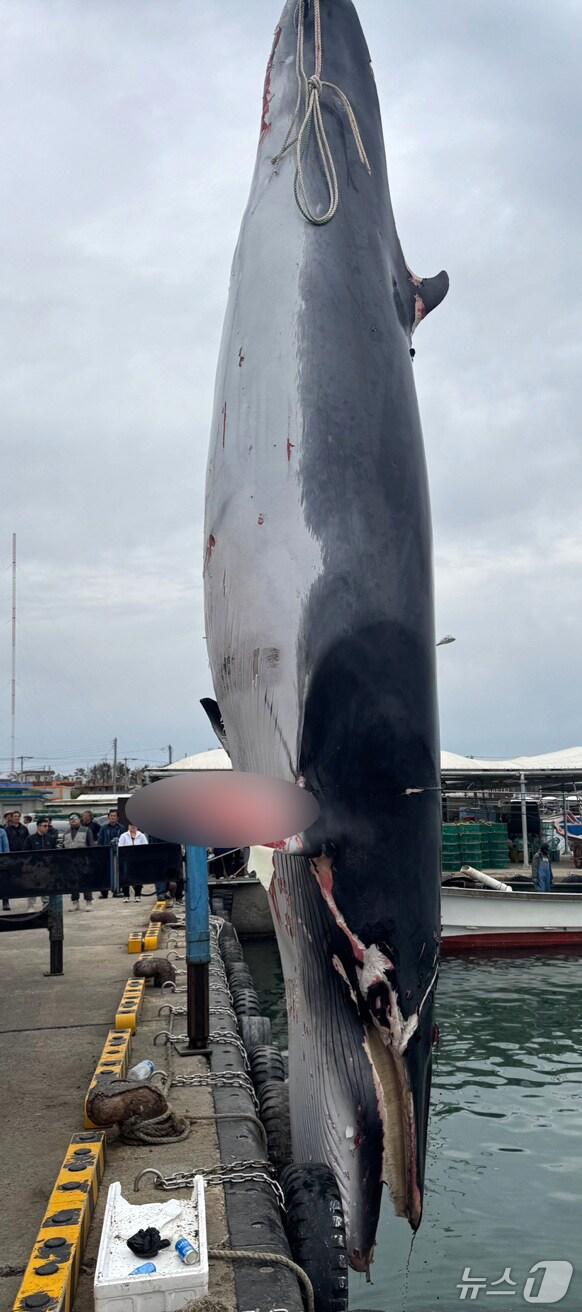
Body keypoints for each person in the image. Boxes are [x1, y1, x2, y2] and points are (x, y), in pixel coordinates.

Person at [60, 814, 94, 911]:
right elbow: (63, 847)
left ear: (80, 820)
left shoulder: (87, 830)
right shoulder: (66, 833)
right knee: (72, 883)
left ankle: (88, 902)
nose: (73, 821)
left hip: (84, 861)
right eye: (71, 820)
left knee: (86, 882)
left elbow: (91, 845)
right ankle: (75, 903)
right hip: (70, 862)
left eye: (75, 819)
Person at [3, 809, 33, 910]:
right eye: (14, 816)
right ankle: (6, 902)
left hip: (22, 855)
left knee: (25, 877)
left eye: (17, 816)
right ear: (11, 817)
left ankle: (29, 900)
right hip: (10, 855)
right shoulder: (6, 829)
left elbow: (28, 840)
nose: (16, 818)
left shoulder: (24, 828)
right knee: (7, 879)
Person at [23, 816, 54, 909]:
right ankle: (31, 906)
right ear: (38, 827)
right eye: (44, 826)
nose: (46, 828)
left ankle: (46, 905)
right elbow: (25, 852)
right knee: (33, 886)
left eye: (47, 826)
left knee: (45, 887)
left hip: (46, 867)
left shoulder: (50, 838)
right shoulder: (30, 839)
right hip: (33, 867)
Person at [98, 809, 125, 898]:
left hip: (118, 854)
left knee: (118, 872)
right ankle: (104, 892)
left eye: (114, 816)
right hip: (106, 854)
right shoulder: (103, 828)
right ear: (108, 817)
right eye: (111, 816)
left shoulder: (121, 828)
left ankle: (117, 891)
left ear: (117, 818)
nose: (112, 818)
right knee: (105, 873)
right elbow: (100, 841)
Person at [118, 823, 147, 902]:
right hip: (126, 860)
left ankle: (138, 895)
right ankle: (126, 895)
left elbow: (145, 847)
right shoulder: (123, 836)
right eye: (131, 826)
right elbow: (120, 847)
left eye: (134, 825)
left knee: (138, 878)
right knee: (125, 878)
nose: (133, 827)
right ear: (128, 826)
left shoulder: (142, 836)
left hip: (138, 860)